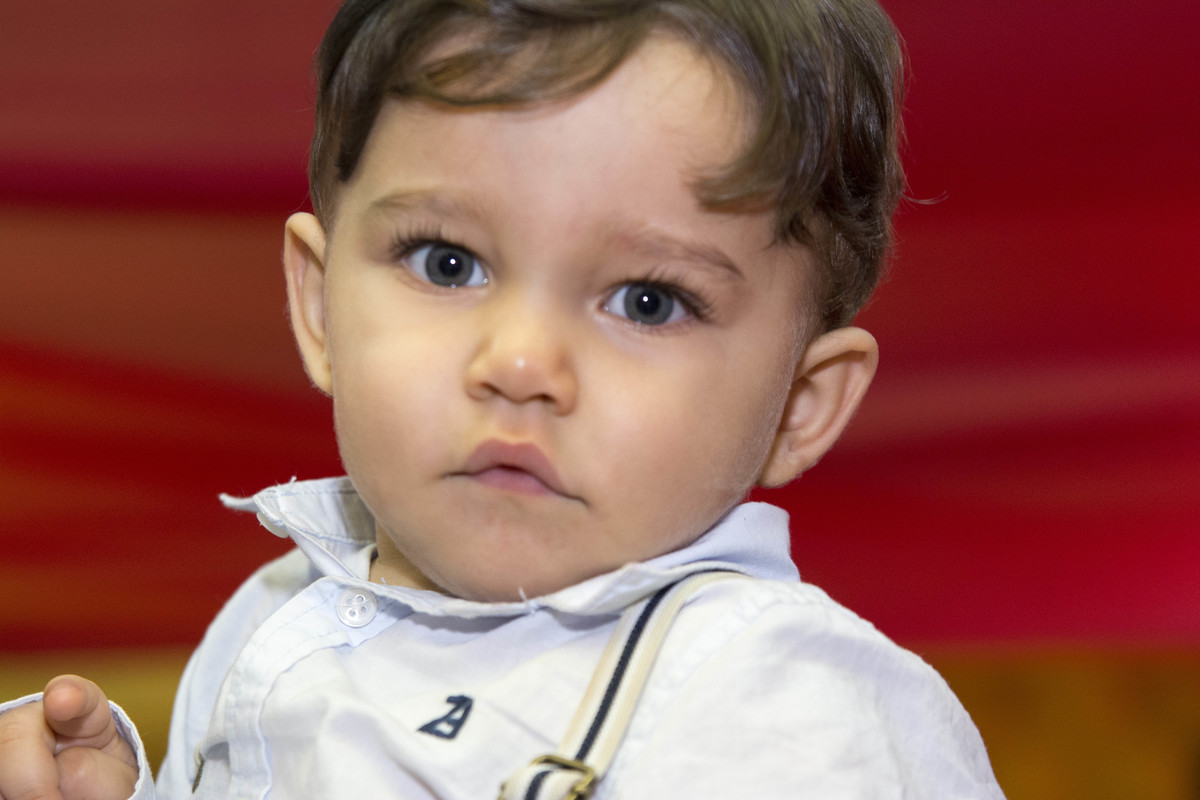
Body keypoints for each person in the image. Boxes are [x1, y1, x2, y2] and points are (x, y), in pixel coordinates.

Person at [0, 1, 1006, 798]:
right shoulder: (275, 614)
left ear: (801, 403)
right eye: (448, 261)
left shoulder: (785, 707)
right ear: (318, 305)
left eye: (648, 300)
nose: (521, 362)